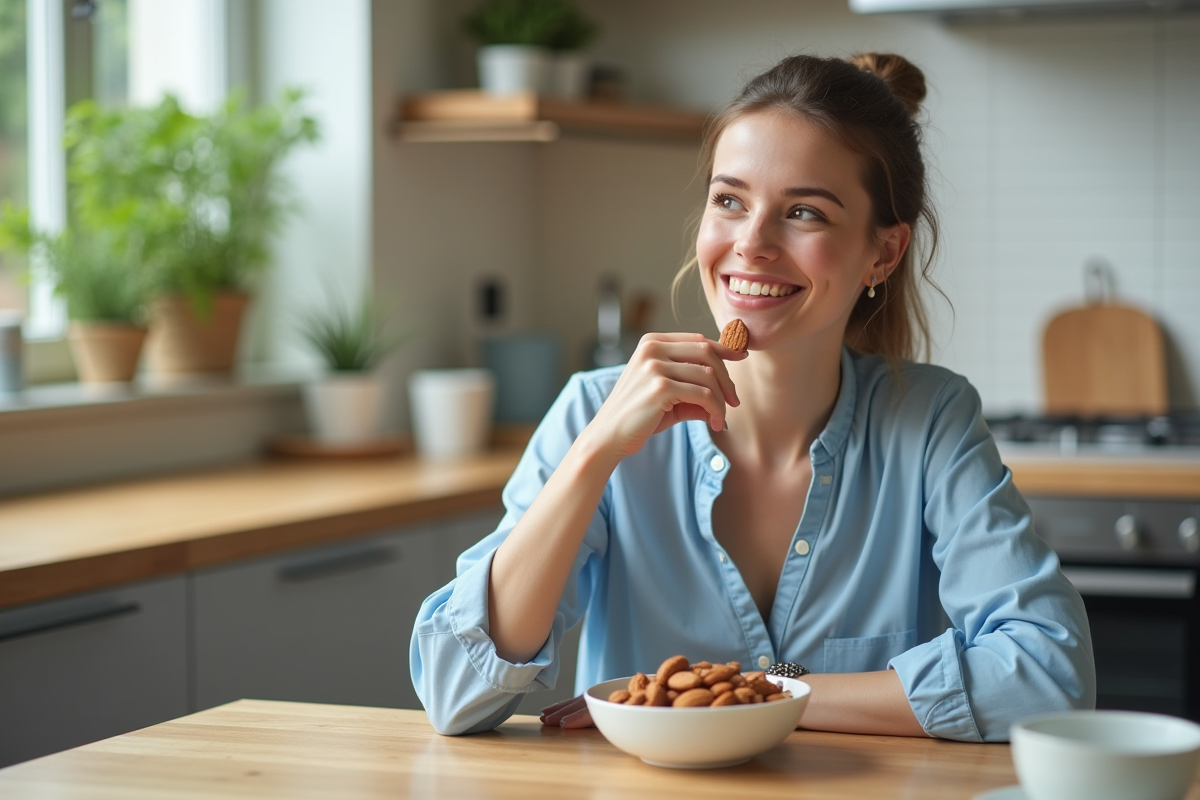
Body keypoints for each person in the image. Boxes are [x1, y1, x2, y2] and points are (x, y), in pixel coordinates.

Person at [410, 52, 1096, 742]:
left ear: (883, 253)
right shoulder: (596, 411)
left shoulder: (931, 421)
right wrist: (594, 454)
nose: (752, 243)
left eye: (803, 212)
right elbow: (455, 692)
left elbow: (1050, 676)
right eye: (730, 201)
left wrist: (744, 694)